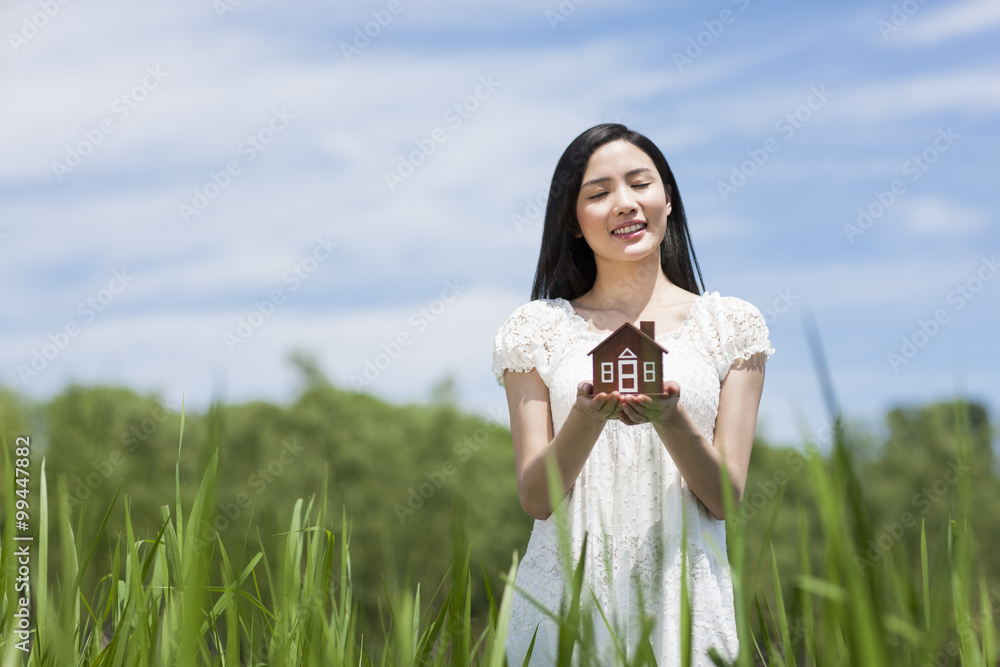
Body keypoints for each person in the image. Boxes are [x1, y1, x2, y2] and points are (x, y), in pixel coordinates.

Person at [492, 123, 775, 666]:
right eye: (598, 194)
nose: (624, 203)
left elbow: (725, 498)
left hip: (683, 599)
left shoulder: (731, 325)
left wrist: (670, 418)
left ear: (668, 200)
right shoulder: (535, 329)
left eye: (640, 184)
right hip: (565, 598)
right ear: (573, 225)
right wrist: (586, 415)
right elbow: (536, 497)